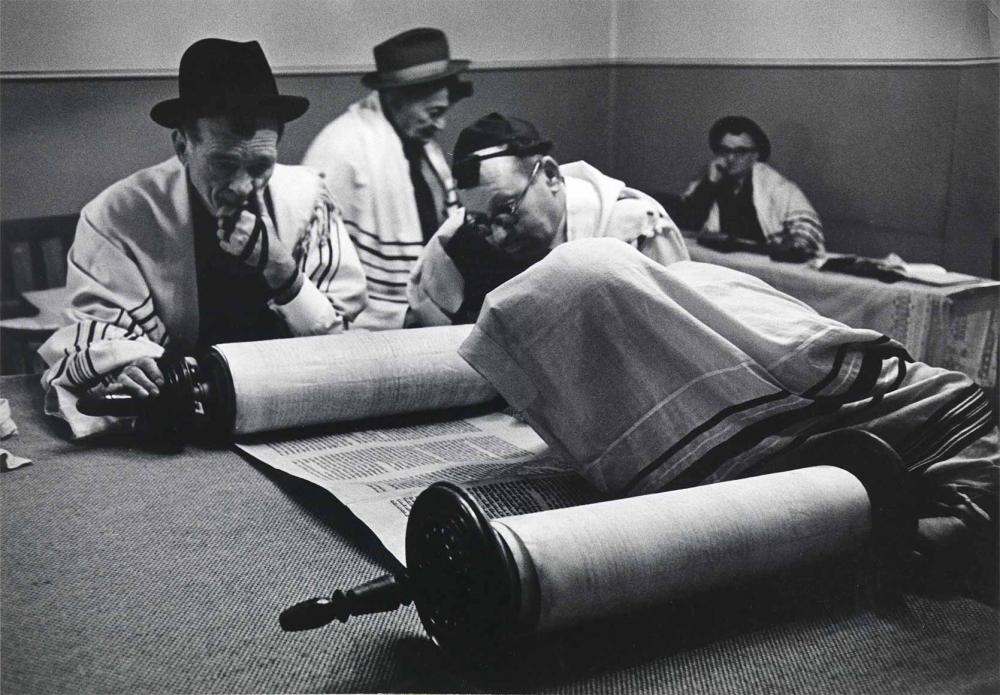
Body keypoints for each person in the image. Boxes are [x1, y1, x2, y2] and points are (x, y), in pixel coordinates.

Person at [459, 238, 997, 595]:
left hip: (954, 434)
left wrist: (898, 540)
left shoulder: (698, 306)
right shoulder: (652, 308)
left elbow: (948, 524)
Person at [38, 38, 367, 439]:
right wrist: (130, 364)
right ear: (182, 146)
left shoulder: (308, 199)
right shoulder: (119, 215)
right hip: (186, 416)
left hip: (293, 410)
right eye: (224, 164)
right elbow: (98, 334)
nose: (244, 186)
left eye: (261, 165)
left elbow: (338, 345)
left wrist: (284, 272)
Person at [408, 112, 690, 326]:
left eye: (507, 211)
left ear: (551, 175)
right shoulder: (455, 242)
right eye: (482, 222)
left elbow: (680, 336)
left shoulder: (636, 230)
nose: (499, 236)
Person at [302, 28, 472, 330]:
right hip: (368, 328)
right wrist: (402, 316)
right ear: (396, 98)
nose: (441, 124)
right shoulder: (342, 150)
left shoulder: (422, 149)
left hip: (429, 317)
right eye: (433, 113)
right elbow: (317, 268)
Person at [670, 116, 825, 257]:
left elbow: (806, 226)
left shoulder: (775, 185)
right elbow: (684, 228)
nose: (731, 158)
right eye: (725, 151)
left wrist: (794, 246)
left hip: (762, 263)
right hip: (719, 263)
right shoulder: (707, 183)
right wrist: (709, 185)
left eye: (740, 152)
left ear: (755, 155)